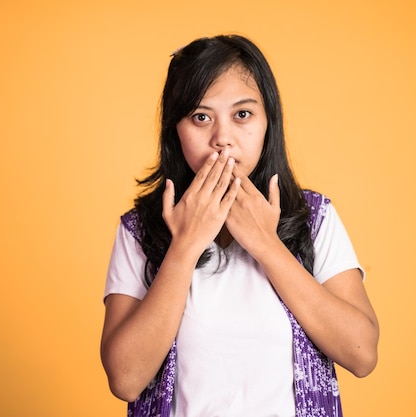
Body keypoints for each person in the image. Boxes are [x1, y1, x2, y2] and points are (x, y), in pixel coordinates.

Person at [100, 34, 379, 417]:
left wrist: (266, 243)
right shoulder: (141, 230)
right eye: (201, 117)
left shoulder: (314, 218)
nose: (222, 139)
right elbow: (126, 379)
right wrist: (185, 245)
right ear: (174, 129)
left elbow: (361, 354)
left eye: (242, 115)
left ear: (269, 123)